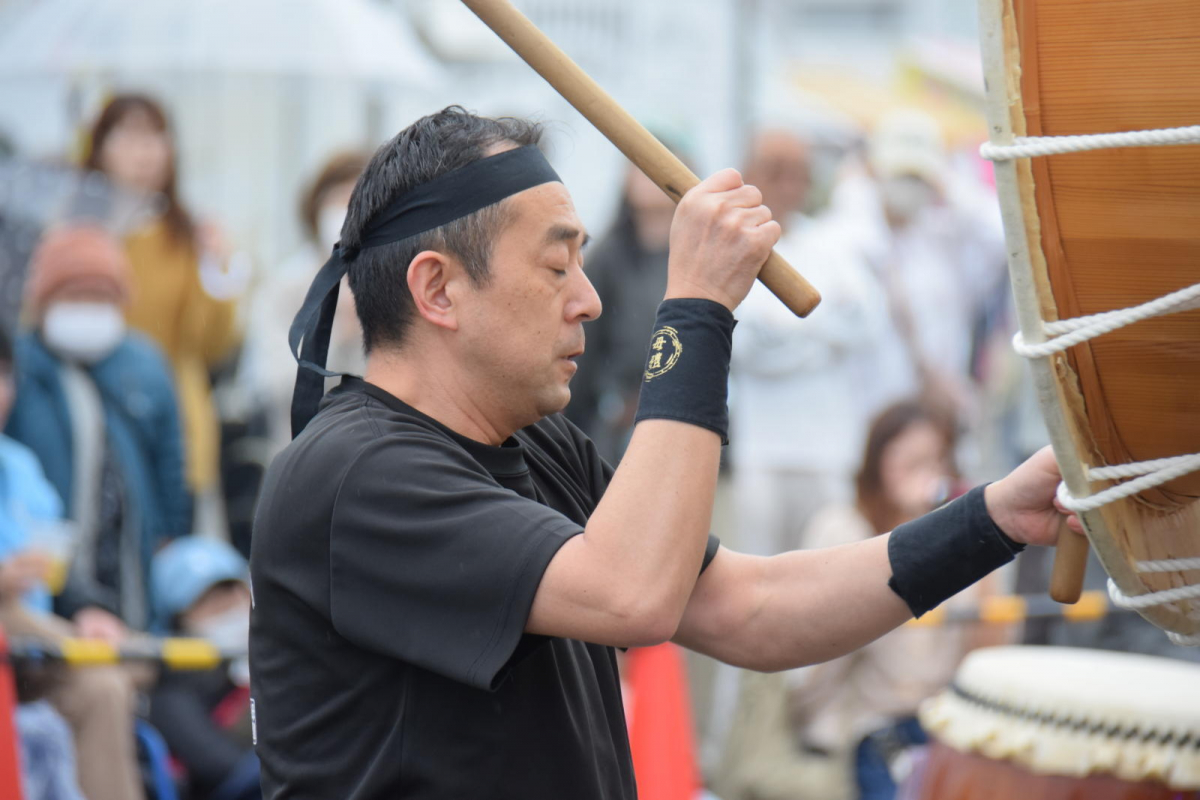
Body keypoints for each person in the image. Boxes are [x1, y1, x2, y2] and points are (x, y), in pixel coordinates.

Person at [250, 106, 1077, 799]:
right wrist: (696, 309)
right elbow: (632, 598)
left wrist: (995, 517)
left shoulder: (538, 446)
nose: (590, 299)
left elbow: (751, 609)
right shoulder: (351, 475)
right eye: (555, 265)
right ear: (437, 290)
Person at [6, 225, 191, 631]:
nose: (88, 309)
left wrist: (169, 534)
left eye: (100, 297)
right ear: (43, 302)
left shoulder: (145, 364)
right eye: (75, 296)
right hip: (44, 559)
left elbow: (171, 460)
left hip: (129, 553)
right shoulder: (19, 365)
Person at [84, 94, 244, 535]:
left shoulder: (185, 233)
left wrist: (219, 270)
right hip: (93, 422)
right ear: (97, 147)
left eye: (156, 136)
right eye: (129, 135)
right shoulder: (80, 232)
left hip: (178, 428)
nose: (145, 151)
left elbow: (213, 343)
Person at [0, 323, 146, 800]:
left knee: (106, 688)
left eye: (3, 375)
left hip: (33, 654)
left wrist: (87, 609)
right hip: (16, 633)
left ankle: (112, 646)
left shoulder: (19, 465)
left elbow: (57, 566)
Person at [236, 151, 370, 460]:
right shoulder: (285, 288)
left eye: (356, 200)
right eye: (337, 200)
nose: (346, 212)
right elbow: (270, 383)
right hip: (300, 455)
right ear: (316, 208)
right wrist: (338, 328)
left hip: (372, 456)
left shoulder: (392, 284)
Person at [567, 147, 686, 463]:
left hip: (681, 416)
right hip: (615, 419)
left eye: (661, 165)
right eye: (641, 167)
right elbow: (585, 348)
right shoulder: (608, 256)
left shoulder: (695, 256)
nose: (649, 178)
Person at [149, 536, 259, 800]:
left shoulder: (268, 663)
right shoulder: (173, 692)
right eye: (212, 603)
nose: (230, 609)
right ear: (181, 620)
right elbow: (224, 769)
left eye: (235, 595)